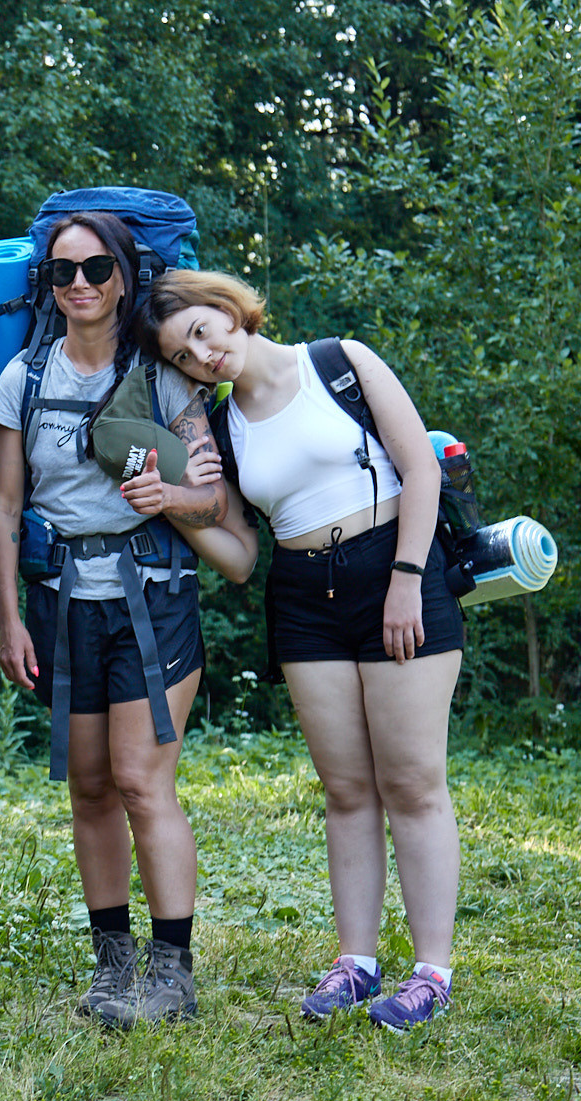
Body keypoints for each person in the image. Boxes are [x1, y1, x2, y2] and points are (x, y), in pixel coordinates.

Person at [140, 269, 463, 1031]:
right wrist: (174, 509)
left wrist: (408, 579)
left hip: (396, 569)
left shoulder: (339, 362)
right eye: (183, 356)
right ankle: (356, 961)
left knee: (413, 781)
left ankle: (432, 972)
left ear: (227, 309)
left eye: (201, 332)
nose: (202, 356)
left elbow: (420, 468)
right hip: (302, 594)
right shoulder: (221, 428)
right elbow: (243, 554)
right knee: (346, 787)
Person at [0, 211, 228, 1030]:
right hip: (60, 604)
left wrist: (170, 496)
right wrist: (7, 617)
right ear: (46, 285)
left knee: (140, 780)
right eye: (62, 273)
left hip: (151, 595)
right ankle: (112, 964)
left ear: (124, 277)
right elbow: (5, 506)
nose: (79, 285)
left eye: (94, 270)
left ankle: (173, 968)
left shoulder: (162, 375)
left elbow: (213, 495)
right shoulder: (24, 375)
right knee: (88, 787)